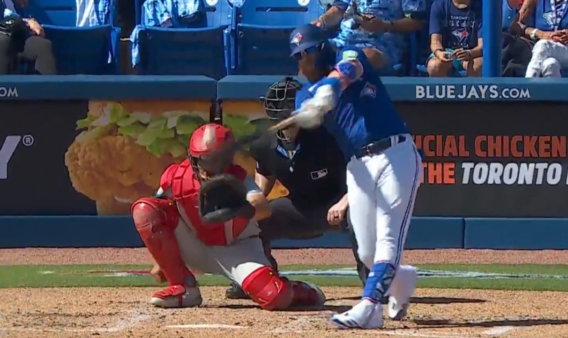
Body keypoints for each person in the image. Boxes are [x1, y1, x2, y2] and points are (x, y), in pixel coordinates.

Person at [288, 24, 422, 329]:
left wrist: (329, 89)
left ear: (319, 50)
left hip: (396, 154)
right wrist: (305, 114)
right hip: (358, 166)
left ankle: (369, 307)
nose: (301, 63)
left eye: (305, 54)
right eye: (297, 56)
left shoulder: (348, 55)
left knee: (388, 237)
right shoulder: (305, 94)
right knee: (367, 251)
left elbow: (349, 68)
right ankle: (402, 279)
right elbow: (303, 121)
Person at [131, 123, 326, 311]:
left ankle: (302, 291)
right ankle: (184, 287)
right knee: (143, 209)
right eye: (206, 160)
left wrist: (242, 209)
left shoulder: (238, 179)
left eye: (218, 160)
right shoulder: (176, 177)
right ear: (194, 158)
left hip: (238, 249)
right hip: (195, 244)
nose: (210, 167)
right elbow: (159, 214)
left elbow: (263, 208)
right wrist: (162, 261)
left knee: (276, 297)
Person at [224, 76, 370, 300]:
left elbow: (363, 171)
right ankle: (256, 278)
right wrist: (248, 205)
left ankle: (373, 285)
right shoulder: (265, 143)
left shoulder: (330, 136)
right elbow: (264, 176)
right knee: (252, 220)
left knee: (360, 214)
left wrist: (344, 202)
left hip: (338, 203)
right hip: (299, 208)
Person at [312, 0, 426, 74]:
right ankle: (302, 103)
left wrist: (384, 25)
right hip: (343, 42)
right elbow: (338, 9)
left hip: (381, 47)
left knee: (362, 57)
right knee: (309, 51)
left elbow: (416, 22)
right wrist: (321, 22)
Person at [0, 0, 56, 74]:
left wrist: (27, 21)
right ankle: (7, 87)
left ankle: (49, 88)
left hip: (5, 29)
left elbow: (11, 14)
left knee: (42, 45)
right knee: (3, 42)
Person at [427, 0, 483, 77]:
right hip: (446, 52)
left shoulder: (482, 6)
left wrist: (470, 53)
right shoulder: (439, 4)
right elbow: (435, 42)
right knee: (434, 66)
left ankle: (470, 88)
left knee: (479, 65)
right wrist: (439, 53)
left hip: (472, 54)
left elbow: (483, 45)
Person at [520, 0, 568, 77]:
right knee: (550, 64)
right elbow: (517, 25)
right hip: (544, 52)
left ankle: (528, 85)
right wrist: (541, 34)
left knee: (543, 45)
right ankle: (553, 89)